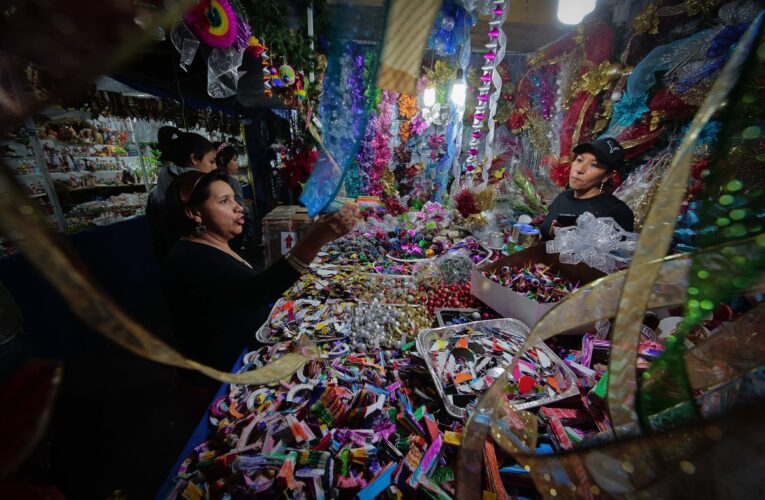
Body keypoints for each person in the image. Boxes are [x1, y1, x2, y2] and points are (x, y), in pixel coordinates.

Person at [162, 170, 358, 396]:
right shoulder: (190, 259)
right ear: (194, 213)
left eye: (235, 199)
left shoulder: (214, 246)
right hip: (215, 384)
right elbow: (256, 293)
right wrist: (313, 240)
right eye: (224, 201)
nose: (239, 207)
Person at [540, 137, 635, 240]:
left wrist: (575, 238)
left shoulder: (617, 211)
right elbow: (544, 236)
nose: (580, 169)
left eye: (594, 165)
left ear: (607, 176)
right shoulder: (562, 198)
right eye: (579, 160)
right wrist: (553, 231)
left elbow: (617, 253)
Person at [146, 126, 217, 258]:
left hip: (170, 254)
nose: (215, 167)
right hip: (199, 254)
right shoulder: (197, 184)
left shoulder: (160, 184)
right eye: (211, 161)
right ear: (194, 158)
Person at [214, 142, 253, 257]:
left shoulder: (215, 179)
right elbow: (240, 206)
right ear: (222, 160)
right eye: (234, 160)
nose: (238, 164)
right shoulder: (232, 181)